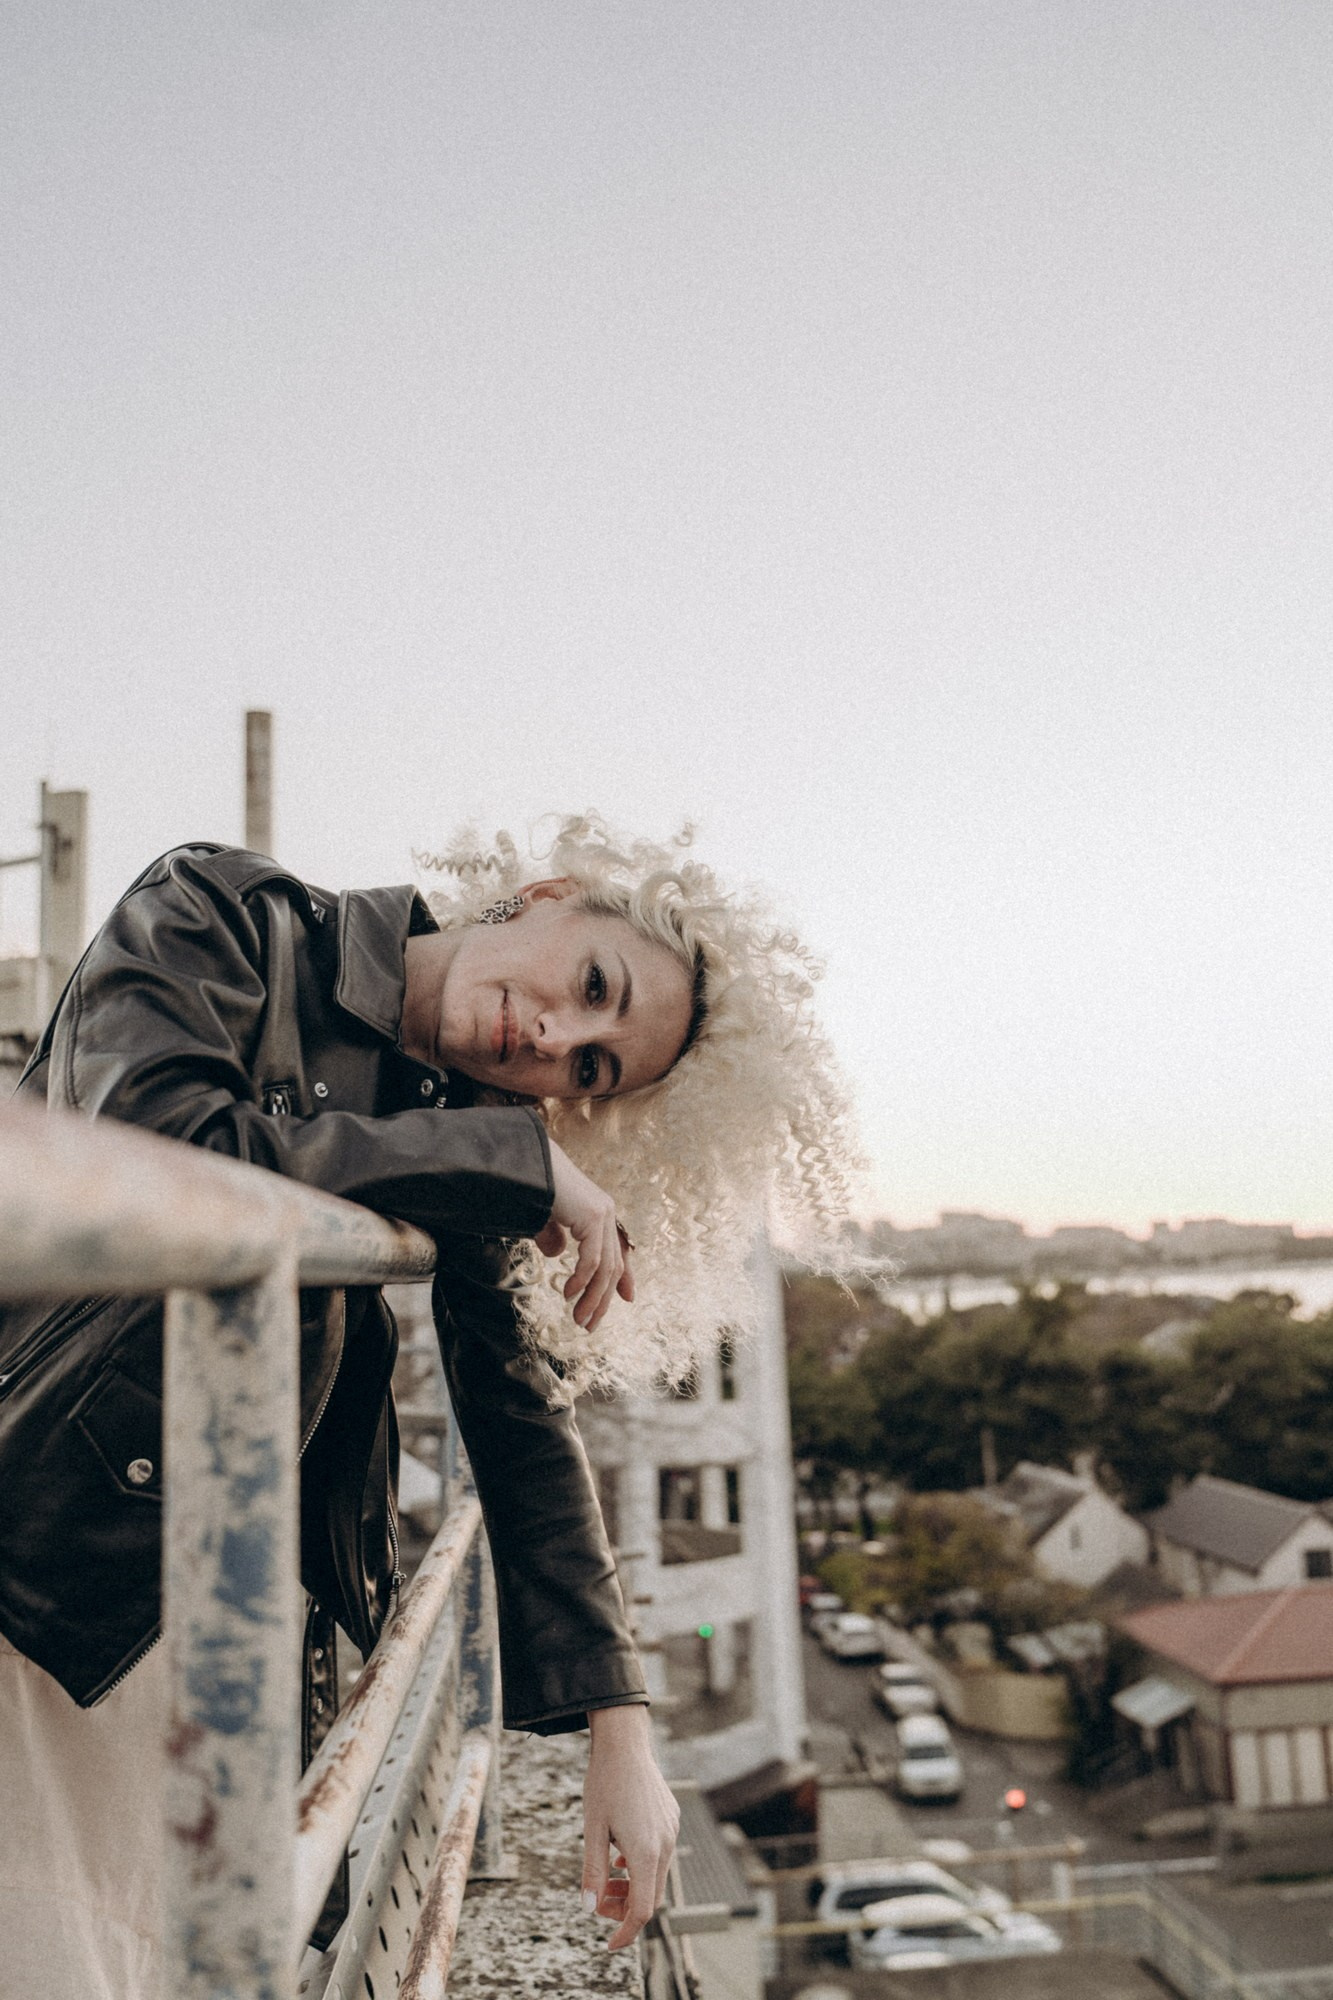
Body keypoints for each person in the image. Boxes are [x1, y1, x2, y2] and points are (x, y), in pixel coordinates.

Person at [0, 813, 856, 1998]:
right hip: (41, 1571)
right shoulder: (224, 912)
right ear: (545, 894)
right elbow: (162, 1141)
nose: (555, 1039)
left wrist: (621, 1727)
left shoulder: (458, 1119)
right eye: (591, 985)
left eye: (589, 1069)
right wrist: (509, 1160)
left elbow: (521, 1410)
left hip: (219, 1628)